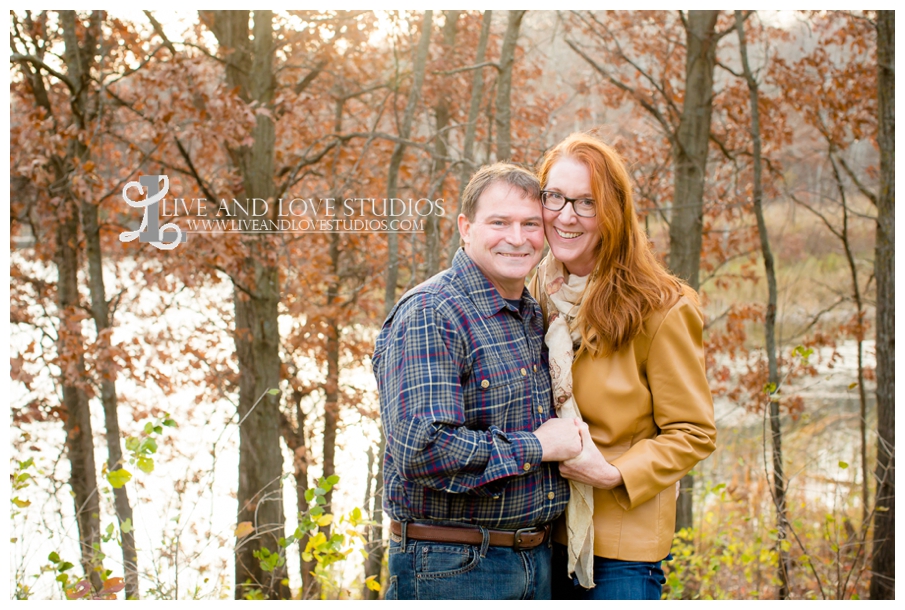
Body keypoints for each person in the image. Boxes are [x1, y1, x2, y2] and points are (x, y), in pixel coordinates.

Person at [373, 163, 583, 600]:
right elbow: (423, 448)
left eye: (530, 224)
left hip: (534, 562)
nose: (517, 237)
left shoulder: (530, 314)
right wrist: (538, 446)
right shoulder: (433, 312)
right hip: (453, 568)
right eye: (499, 223)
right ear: (465, 228)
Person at [529, 132, 717, 600]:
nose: (566, 216)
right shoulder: (531, 291)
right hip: (537, 535)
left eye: (586, 203)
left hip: (622, 551)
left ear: (612, 212)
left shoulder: (661, 306)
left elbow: (693, 431)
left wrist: (615, 473)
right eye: (555, 197)